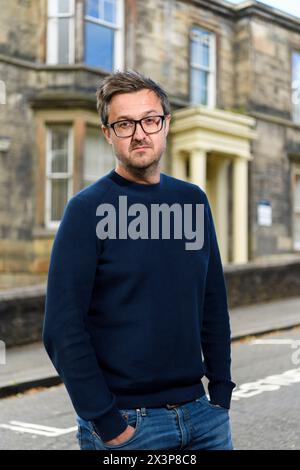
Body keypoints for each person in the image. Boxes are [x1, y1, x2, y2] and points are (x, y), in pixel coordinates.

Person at [42, 70, 236, 451]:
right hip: (129, 426)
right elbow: (63, 328)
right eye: (125, 123)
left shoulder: (192, 202)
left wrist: (221, 392)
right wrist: (106, 421)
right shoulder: (87, 210)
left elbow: (213, 302)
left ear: (165, 125)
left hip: (204, 417)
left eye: (150, 120)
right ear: (107, 133)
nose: (139, 133)